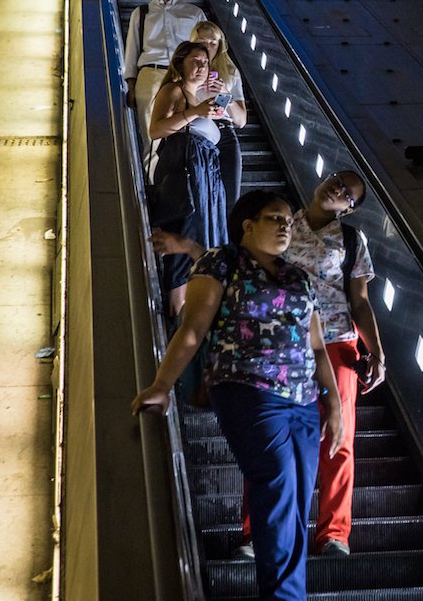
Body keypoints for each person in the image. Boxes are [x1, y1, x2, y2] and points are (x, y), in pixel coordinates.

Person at [152, 171, 386, 558]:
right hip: (277, 348)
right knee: (268, 442)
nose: (337, 188)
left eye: (348, 193)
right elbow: (235, 266)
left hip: (335, 341)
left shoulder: (349, 240)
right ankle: (255, 531)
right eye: (336, 179)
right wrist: (190, 247)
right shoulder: (280, 220)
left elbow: (359, 300)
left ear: (349, 208)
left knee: (337, 438)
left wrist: (376, 351)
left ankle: (334, 532)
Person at [133, 190, 346, 601]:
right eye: (274, 218)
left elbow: (317, 347)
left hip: (302, 400)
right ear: (248, 225)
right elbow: (193, 328)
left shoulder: (299, 276)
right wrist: (162, 386)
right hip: (247, 389)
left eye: (287, 220)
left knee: (300, 502)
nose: (286, 226)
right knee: (279, 487)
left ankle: (287, 592)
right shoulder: (221, 262)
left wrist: (334, 407)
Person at [149, 41, 228, 315]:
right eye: (195, 60)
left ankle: (199, 310)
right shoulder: (174, 90)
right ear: (180, 62)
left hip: (208, 176)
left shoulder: (201, 99)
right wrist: (194, 113)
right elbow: (155, 130)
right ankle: (177, 314)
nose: (201, 66)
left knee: (206, 237)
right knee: (188, 231)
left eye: (205, 62)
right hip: (190, 171)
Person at [123, 0, 206, 147]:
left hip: (185, 77)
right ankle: (152, 174)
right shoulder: (142, 13)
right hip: (151, 74)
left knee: (186, 131)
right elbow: (132, 49)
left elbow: (205, 48)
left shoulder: (194, 13)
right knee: (151, 136)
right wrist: (131, 84)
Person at [191, 21, 248, 208]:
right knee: (197, 197)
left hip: (225, 132)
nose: (208, 47)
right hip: (197, 132)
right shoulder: (185, 68)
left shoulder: (230, 72)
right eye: (202, 41)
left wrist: (226, 95)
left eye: (213, 42)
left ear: (220, 45)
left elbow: (241, 120)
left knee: (229, 198)